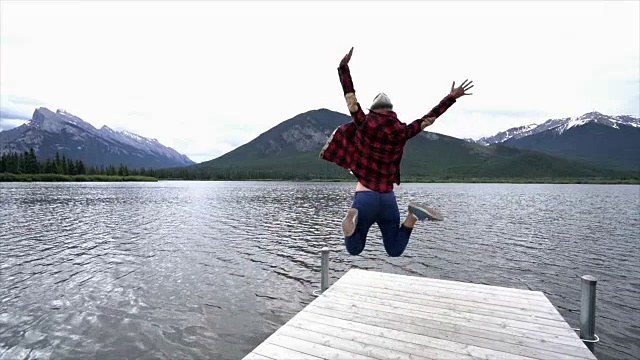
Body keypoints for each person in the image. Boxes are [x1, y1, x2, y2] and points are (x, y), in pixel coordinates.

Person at [319, 47, 473, 257]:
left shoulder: (364, 123)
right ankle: (411, 217)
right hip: (387, 199)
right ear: (392, 111)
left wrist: (343, 68)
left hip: (364, 197)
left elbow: (351, 99)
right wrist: (451, 97)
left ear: (374, 110)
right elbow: (428, 119)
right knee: (394, 249)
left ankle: (352, 221)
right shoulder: (402, 131)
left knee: (354, 248)